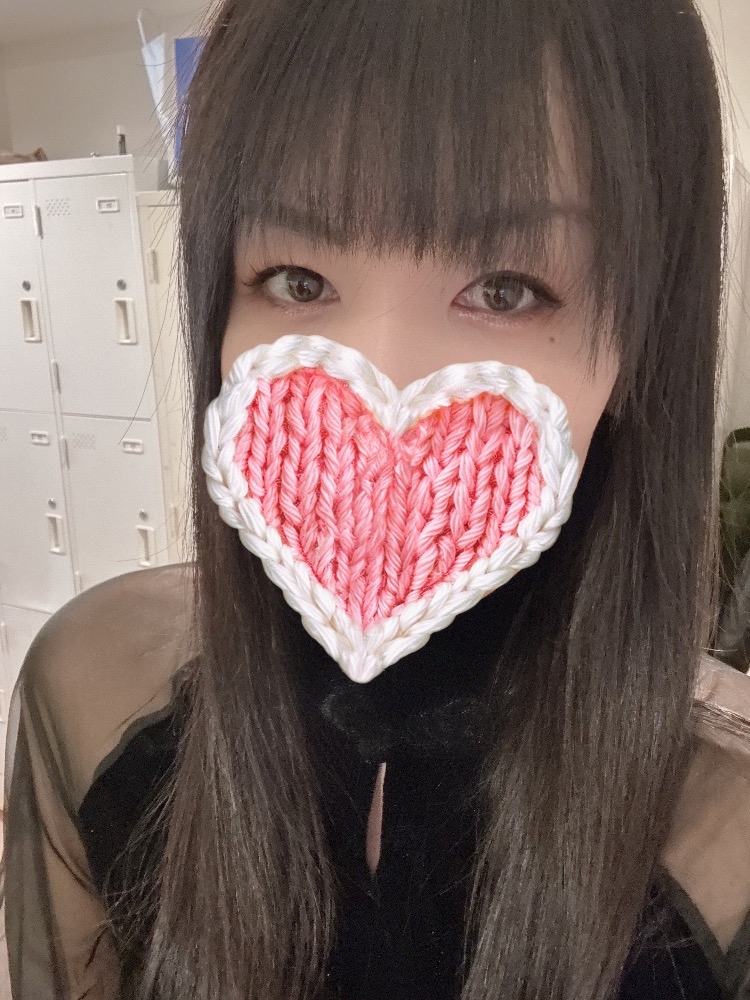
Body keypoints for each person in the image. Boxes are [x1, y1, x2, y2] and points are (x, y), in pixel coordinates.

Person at [3, 0, 750, 998]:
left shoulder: (728, 835)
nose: (379, 380)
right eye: (296, 278)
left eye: (506, 289)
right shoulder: (97, 694)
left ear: (643, 333)